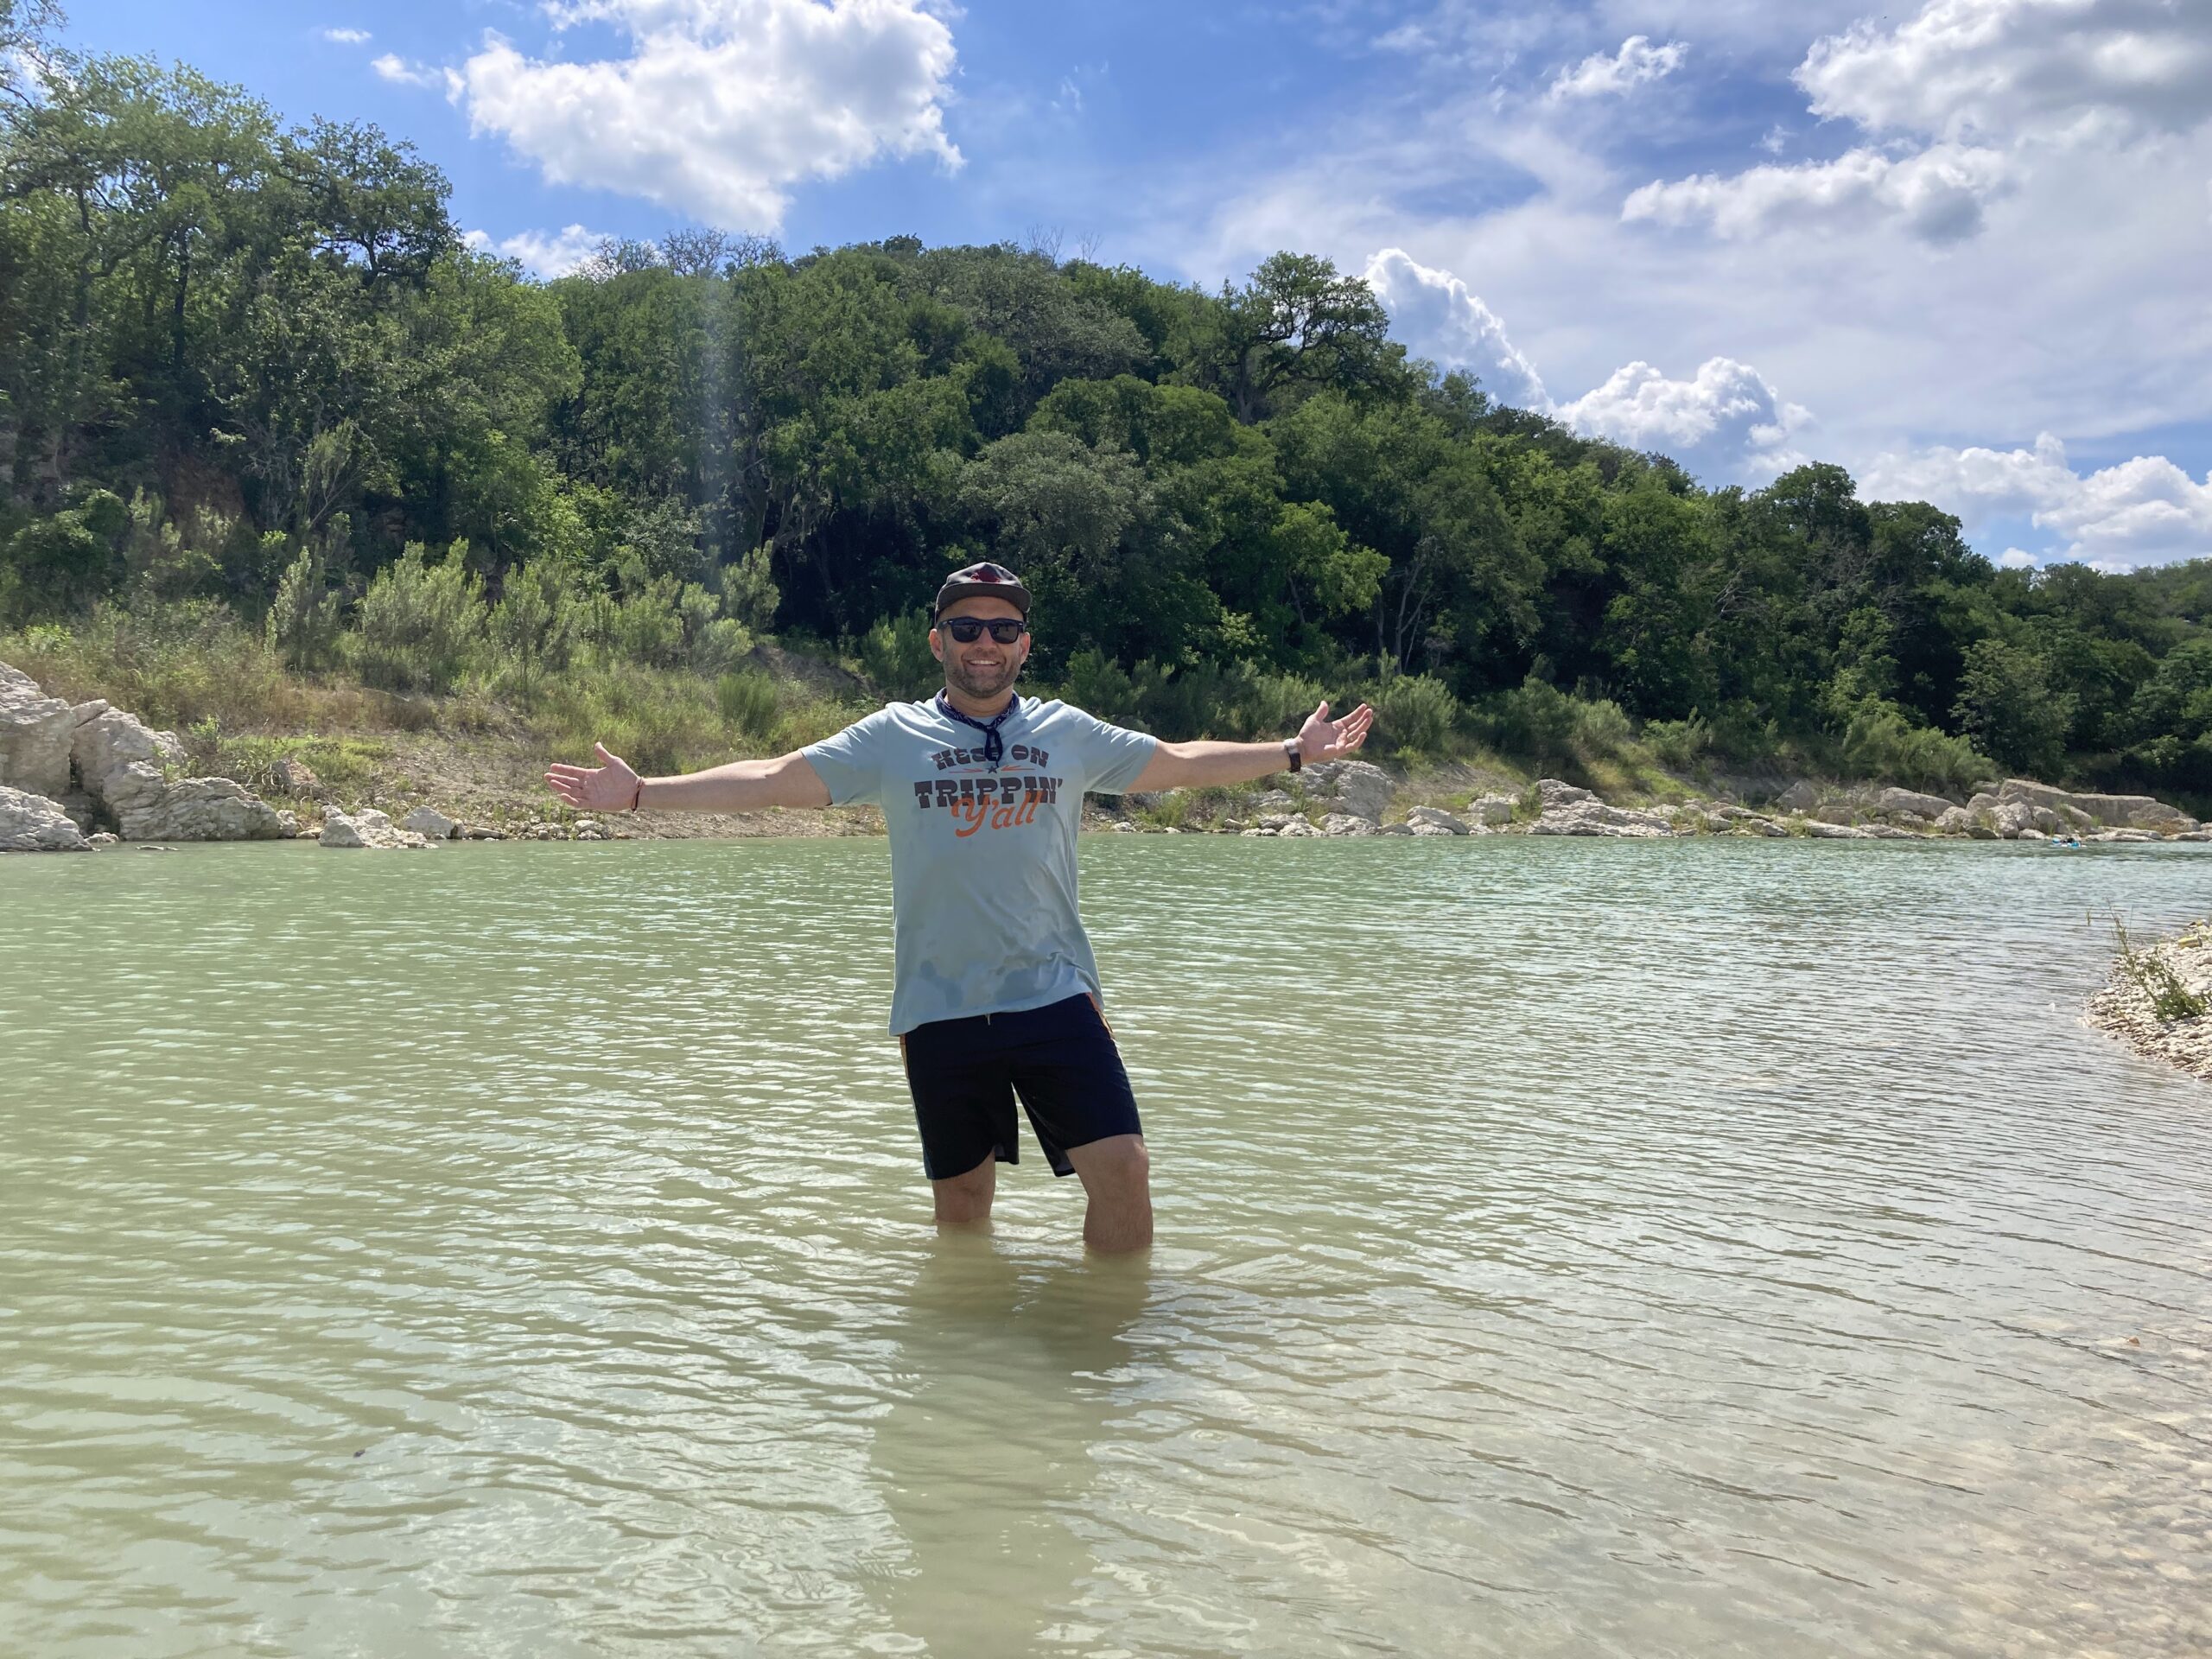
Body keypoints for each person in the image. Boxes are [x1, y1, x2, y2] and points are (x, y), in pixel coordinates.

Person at [544, 561, 1375, 1253]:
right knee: (964, 1206)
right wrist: (644, 793)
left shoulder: (1066, 732)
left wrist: (1293, 753)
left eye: (1003, 629)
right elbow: (769, 778)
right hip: (939, 1007)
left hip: (1053, 996)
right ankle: (975, 1360)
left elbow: (1182, 762)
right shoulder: (892, 737)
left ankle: (1112, 1343)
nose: (986, 643)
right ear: (938, 640)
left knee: (1124, 1168)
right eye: (967, 627)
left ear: (1025, 645)